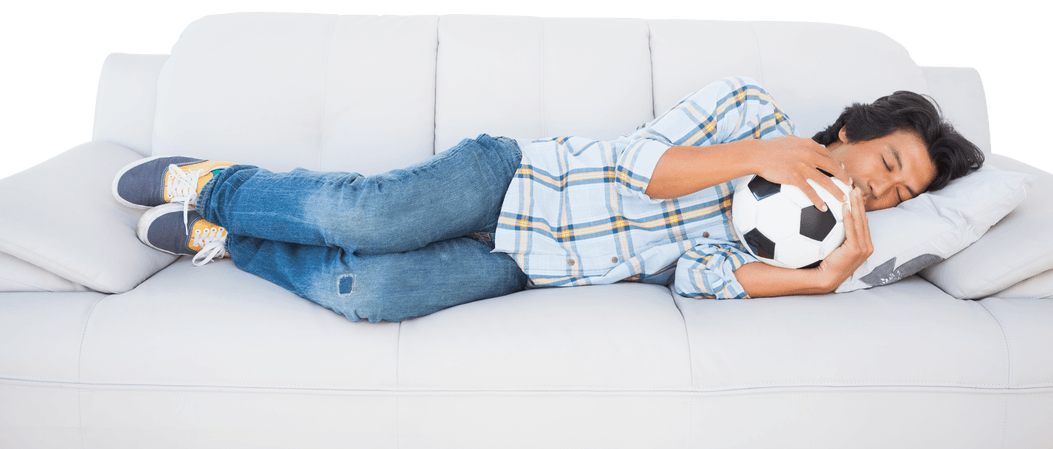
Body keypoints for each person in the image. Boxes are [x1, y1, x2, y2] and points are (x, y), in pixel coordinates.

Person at [112, 77, 983, 322]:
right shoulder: (751, 110)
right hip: (521, 178)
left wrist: (827, 277)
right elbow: (645, 164)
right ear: (860, 128)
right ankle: (215, 183)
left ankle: (224, 242)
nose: (884, 184)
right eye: (889, 159)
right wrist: (758, 155)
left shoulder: (799, 244)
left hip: (533, 266)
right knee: (368, 218)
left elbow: (698, 280)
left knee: (369, 293)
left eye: (902, 189)